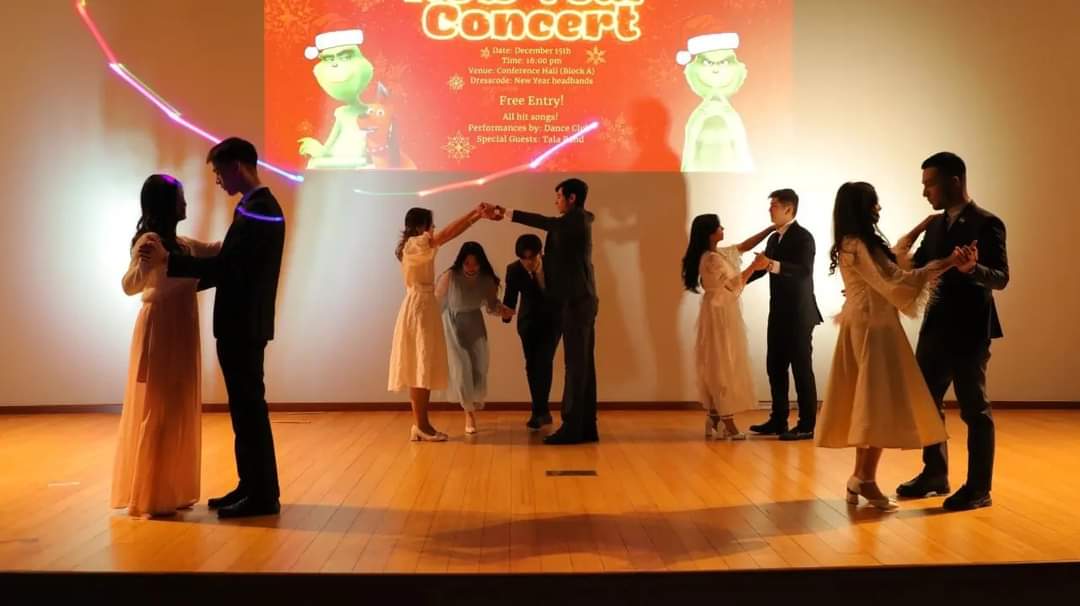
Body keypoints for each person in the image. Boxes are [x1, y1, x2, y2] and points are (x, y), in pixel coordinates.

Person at [145, 137, 286, 518]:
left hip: (243, 324)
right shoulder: (256, 207)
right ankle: (251, 485)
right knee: (244, 409)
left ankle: (261, 495)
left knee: (249, 409)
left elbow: (229, 268)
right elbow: (230, 263)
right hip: (244, 323)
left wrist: (171, 264)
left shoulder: (260, 210)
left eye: (219, 172)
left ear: (236, 166)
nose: (218, 180)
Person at [816, 182, 969, 510]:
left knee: (869, 403)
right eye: (874, 203)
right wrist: (947, 262)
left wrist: (917, 230)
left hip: (865, 324)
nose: (879, 208)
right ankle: (865, 478)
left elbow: (891, 262)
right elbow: (895, 280)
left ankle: (862, 477)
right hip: (874, 328)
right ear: (862, 208)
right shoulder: (858, 244)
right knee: (879, 403)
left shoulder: (853, 243)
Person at [896, 152, 1009, 511]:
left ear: (954, 181)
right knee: (926, 404)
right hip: (934, 329)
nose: (925, 192)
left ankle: (978, 488)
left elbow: (1001, 278)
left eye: (930, 184)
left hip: (970, 330)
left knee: (975, 410)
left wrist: (973, 269)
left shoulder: (988, 223)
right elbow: (916, 270)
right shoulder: (934, 226)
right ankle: (935, 474)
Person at [112, 174, 219, 517]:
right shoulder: (151, 242)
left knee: (175, 407)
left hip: (181, 328)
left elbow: (218, 251)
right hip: (160, 329)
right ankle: (151, 495)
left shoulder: (183, 244)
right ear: (165, 204)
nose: (185, 203)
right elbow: (129, 286)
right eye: (179, 197)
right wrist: (144, 263)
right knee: (158, 407)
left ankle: (168, 490)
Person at [488, 178, 598, 445]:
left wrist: (506, 213)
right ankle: (585, 427)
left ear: (572, 198)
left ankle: (573, 428)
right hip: (578, 302)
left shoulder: (575, 220)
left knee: (576, 367)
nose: (555, 201)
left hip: (576, 302)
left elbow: (547, 223)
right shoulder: (577, 222)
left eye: (559, 196)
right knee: (582, 366)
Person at [388, 205, 493, 441]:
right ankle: (422, 426)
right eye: (430, 225)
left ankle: (421, 425)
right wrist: (474, 214)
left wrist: (475, 216)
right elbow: (447, 234)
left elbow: (445, 235)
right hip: (419, 308)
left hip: (423, 306)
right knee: (420, 366)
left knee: (421, 366)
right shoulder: (415, 244)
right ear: (420, 227)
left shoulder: (416, 246)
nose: (433, 229)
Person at [681, 214, 773, 439]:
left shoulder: (717, 254)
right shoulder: (712, 259)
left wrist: (769, 229)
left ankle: (714, 418)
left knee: (719, 360)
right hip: (720, 314)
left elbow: (743, 246)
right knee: (723, 362)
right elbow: (731, 286)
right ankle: (727, 423)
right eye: (719, 226)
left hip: (720, 311)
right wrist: (755, 266)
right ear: (711, 233)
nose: (723, 228)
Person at [746, 189, 823, 441]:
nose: (770, 210)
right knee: (775, 367)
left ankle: (806, 425)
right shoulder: (774, 239)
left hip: (799, 314)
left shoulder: (804, 237)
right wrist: (738, 281)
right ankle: (778, 419)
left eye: (775, 205)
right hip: (778, 313)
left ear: (789, 209)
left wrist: (770, 264)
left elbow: (803, 271)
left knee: (801, 369)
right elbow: (762, 267)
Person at [437, 241, 513, 435]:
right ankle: (468, 413)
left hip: (475, 323)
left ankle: (473, 402)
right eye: (467, 263)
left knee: (479, 367)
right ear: (461, 262)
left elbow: (491, 306)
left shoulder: (487, 279)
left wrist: (503, 311)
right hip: (452, 324)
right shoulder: (450, 276)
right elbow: (436, 302)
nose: (471, 267)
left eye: (475, 263)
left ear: (481, 263)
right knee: (461, 368)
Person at [502, 234, 562, 431]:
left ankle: (539, 411)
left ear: (540, 253)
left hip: (553, 322)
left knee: (544, 362)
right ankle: (541, 411)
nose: (528, 262)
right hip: (528, 323)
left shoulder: (554, 264)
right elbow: (510, 297)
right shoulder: (514, 269)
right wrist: (505, 315)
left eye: (532, 257)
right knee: (532, 365)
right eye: (523, 258)